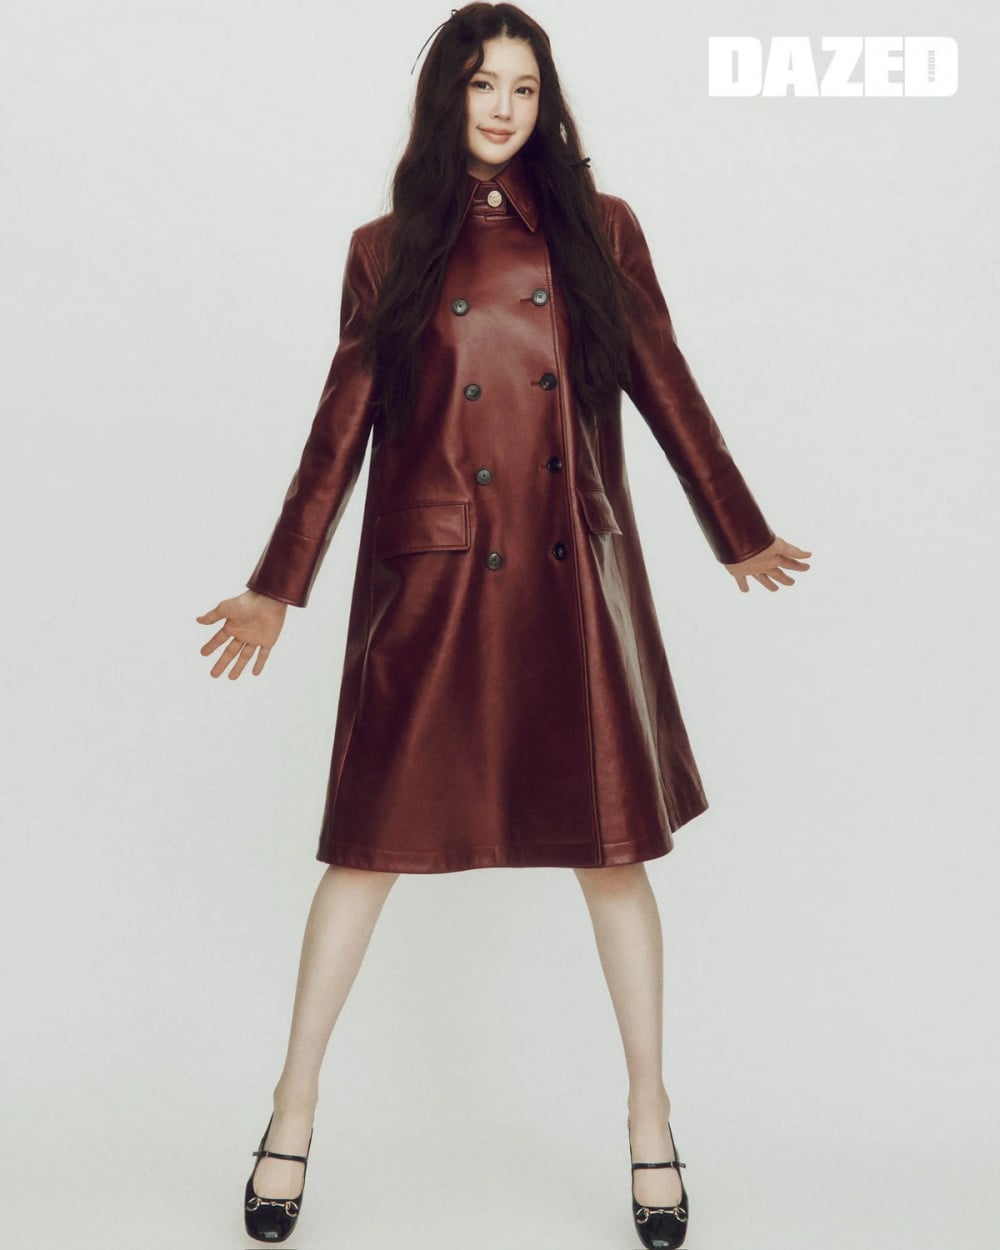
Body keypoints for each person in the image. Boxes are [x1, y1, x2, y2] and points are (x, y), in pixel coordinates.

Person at [195, 4, 812, 1245]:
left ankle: (649, 1116)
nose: (503, 108)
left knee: (612, 853)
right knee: (366, 850)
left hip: (565, 570)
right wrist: (277, 581)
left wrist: (735, 524)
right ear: (447, 97)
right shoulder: (388, 247)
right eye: (483, 84)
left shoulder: (599, 229)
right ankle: (291, 1105)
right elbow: (341, 426)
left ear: (546, 103)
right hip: (433, 577)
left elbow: (664, 380)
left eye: (524, 88)